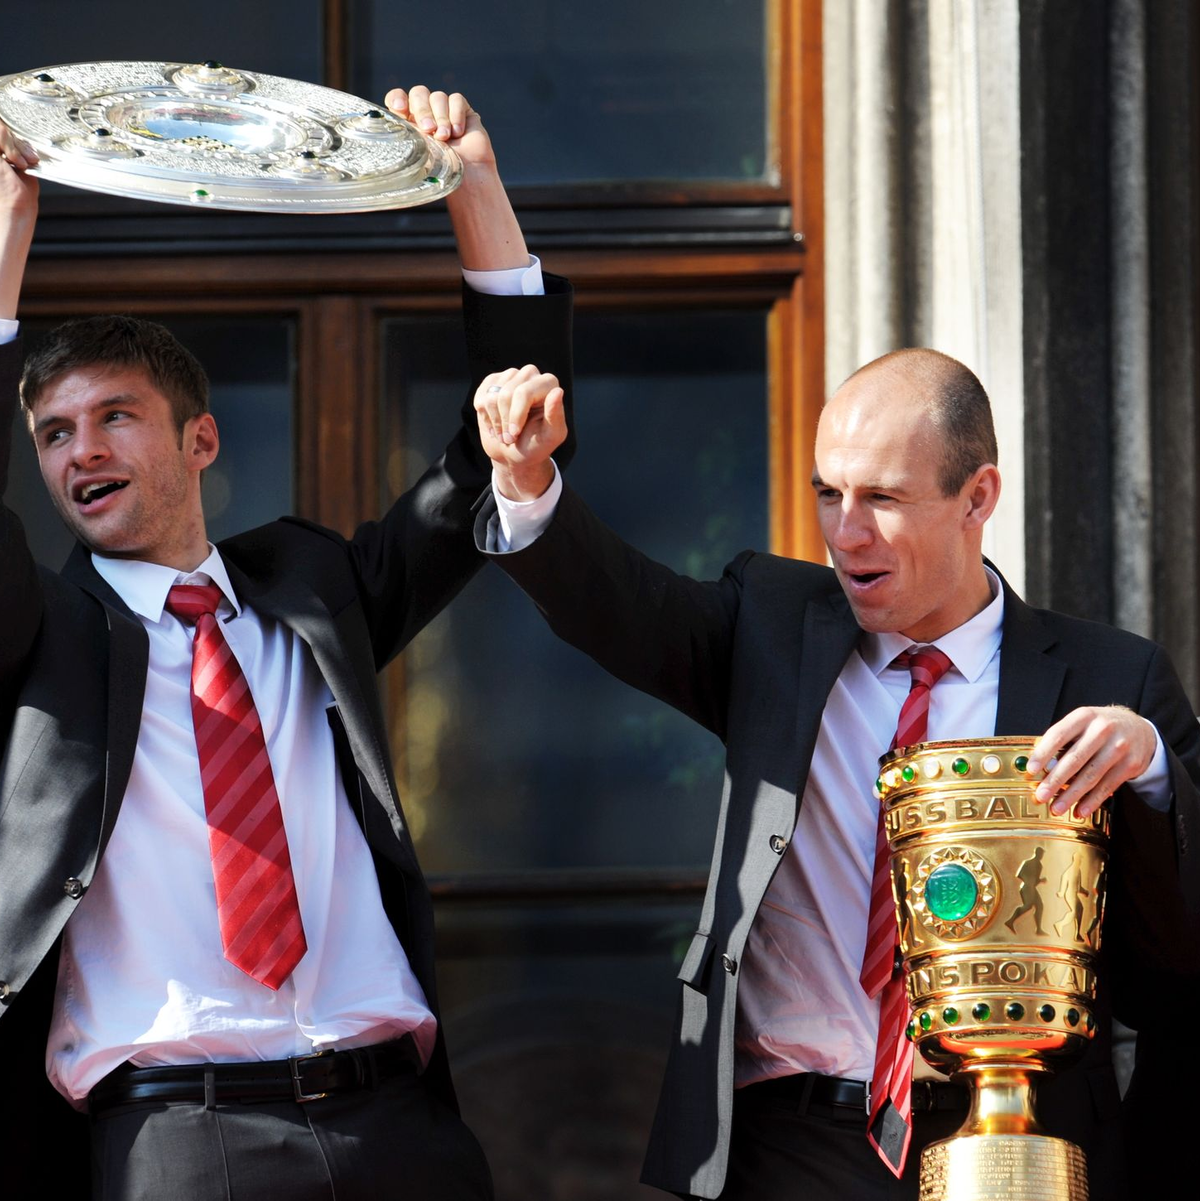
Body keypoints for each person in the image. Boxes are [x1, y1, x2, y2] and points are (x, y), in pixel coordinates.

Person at [0, 85, 572, 1200]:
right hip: (178, 1141)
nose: (82, 453)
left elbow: (498, 441)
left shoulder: (311, 590)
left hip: (397, 1129)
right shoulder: (43, 632)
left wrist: (479, 191)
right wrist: (8, 234)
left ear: (199, 437)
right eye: (54, 434)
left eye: (115, 415)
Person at [467, 349, 1200, 1200]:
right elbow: (623, 605)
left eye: (882, 499)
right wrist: (526, 482)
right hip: (794, 1141)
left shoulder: (1112, 678)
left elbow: (1182, 958)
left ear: (979, 497)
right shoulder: (774, 628)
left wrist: (1149, 771)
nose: (846, 532)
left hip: (1022, 1139)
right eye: (828, 492)